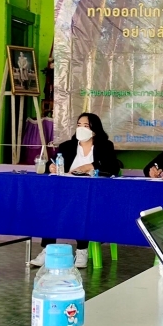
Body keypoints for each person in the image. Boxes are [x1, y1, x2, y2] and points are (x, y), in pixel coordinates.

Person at [30, 113, 120, 268]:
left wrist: (90, 166)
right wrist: (50, 167)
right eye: (79, 125)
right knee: (51, 206)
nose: (81, 128)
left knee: (82, 207)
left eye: (85, 125)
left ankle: (82, 250)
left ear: (95, 130)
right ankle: (48, 249)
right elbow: (49, 164)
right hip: (67, 191)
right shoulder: (67, 146)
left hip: (93, 194)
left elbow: (113, 167)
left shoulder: (105, 146)